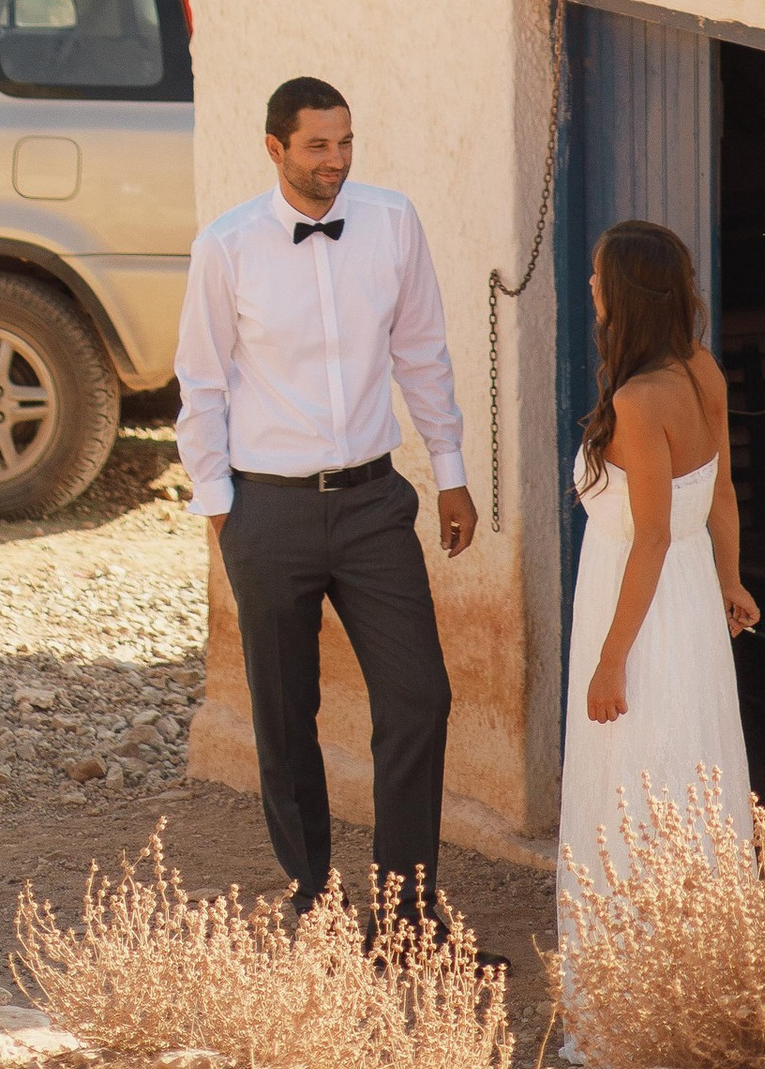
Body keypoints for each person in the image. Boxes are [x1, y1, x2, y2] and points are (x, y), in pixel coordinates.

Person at [174, 75, 475, 928]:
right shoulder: (226, 247)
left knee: (419, 698)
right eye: (317, 146)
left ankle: (408, 913)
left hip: (375, 502)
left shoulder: (391, 221)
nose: (335, 162)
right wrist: (222, 509)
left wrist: (449, 470)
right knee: (283, 711)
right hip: (268, 509)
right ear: (275, 148)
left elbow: (422, 352)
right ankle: (313, 896)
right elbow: (201, 382)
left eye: (344, 143)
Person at [557, 220, 756, 951]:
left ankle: (637, 981)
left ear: (624, 295)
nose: (590, 287)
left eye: (597, 276)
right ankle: (702, 961)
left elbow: (651, 534)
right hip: (690, 605)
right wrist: (729, 581)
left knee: (636, 779)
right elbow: (722, 492)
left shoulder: (639, 402)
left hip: (636, 609)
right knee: (687, 764)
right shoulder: (701, 368)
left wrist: (611, 661)